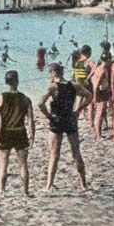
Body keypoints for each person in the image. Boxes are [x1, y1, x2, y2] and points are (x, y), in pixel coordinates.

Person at [38, 63, 91, 193]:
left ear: (52, 73)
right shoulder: (74, 85)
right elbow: (89, 96)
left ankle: (49, 186)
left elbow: (40, 103)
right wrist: (78, 110)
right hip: (70, 119)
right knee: (76, 153)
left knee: (54, 155)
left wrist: (48, 116)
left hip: (57, 120)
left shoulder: (53, 87)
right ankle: (83, 185)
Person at [0, 70, 34, 197]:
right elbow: (31, 121)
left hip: (5, 133)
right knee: (23, 164)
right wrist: (32, 137)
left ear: (6, 82)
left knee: (3, 164)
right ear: (17, 80)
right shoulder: (26, 99)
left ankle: (1, 191)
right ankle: (26, 192)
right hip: (20, 132)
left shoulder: (1, 97)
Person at [91, 51, 113, 140]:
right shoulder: (103, 70)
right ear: (108, 60)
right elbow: (96, 85)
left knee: (102, 113)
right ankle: (99, 136)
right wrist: (95, 97)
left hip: (103, 91)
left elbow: (92, 79)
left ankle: (98, 134)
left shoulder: (98, 68)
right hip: (101, 93)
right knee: (100, 114)